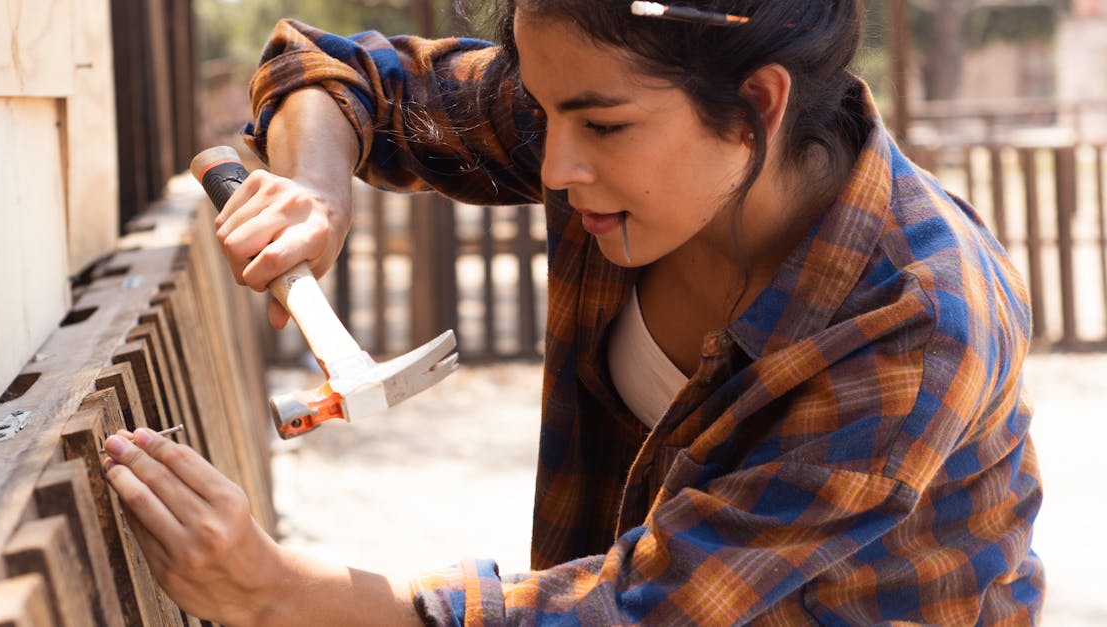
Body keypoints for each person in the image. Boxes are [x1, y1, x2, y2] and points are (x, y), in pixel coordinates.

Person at [102, 0, 1045, 624]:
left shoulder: (912, 323)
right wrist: (316, 186)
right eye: (545, 111)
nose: (553, 167)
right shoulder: (605, 116)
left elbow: (637, 608)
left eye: (599, 126)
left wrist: (277, 593)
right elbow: (334, 71)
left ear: (757, 105)